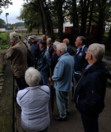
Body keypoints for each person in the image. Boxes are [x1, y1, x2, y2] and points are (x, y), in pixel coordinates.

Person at [74, 43, 110, 132]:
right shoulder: (94, 67)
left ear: (90, 56)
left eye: (87, 51)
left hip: (88, 112)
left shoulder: (95, 76)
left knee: (90, 129)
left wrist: (79, 105)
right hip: (88, 110)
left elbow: (92, 101)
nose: (85, 51)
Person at [16, 67, 50, 132]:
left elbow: (20, 103)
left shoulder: (21, 94)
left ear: (26, 81)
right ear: (39, 79)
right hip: (44, 124)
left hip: (28, 126)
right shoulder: (46, 89)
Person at [49, 43, 74, 121]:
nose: (56, 51)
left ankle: (63, 115)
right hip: (67, 83)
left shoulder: (62, 60)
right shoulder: (70, 57)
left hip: (61, 84)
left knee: (60, 100)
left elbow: (58, 75)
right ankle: (66, 110)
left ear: (60, 50)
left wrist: (51, 78)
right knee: (66, 97)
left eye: (56, 50)